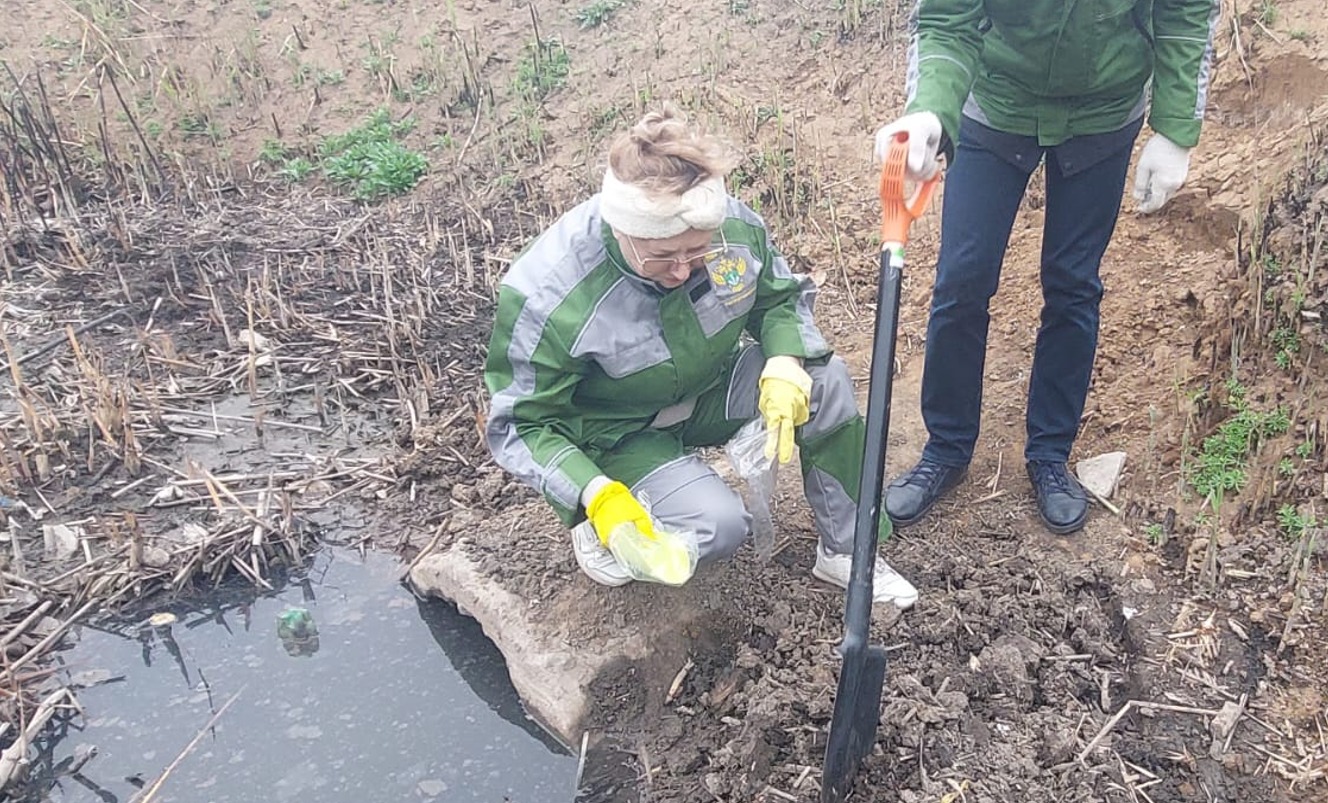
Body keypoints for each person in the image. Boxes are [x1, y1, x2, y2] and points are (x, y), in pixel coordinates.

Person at [484, 105, 919, 609]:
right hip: (616, 433)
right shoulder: (548, 295)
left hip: (709, 390)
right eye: (663, 257)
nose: (681, 270)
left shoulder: (730, 227)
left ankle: (847, 549)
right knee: (719, 528)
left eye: (696, 253)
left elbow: (779, 297)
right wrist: (593, 494)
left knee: (824, 380)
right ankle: (604, 529)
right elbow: (522, 424)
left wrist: (783, 361)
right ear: (622, 229)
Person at [873, 0, 1218, 534]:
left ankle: (1050, 456)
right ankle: (946, 447)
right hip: (996, 99)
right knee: (962, 280)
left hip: (1106, 109)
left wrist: (1175, 128)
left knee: (1073, 285)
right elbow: (946, 17)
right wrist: (930, 109)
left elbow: (1187, 10)